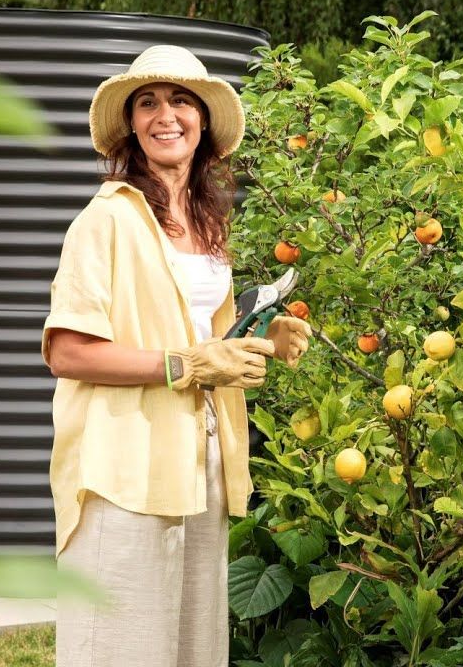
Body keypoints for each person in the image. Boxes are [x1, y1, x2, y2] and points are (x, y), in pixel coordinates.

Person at [40, 44, 312, 667]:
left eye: (182, 100)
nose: (167, 115)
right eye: (148, 102)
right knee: (120, 649)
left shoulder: (206, 224)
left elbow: (204, 335)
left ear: (204, 121)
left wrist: (264, 341)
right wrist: (184, 366)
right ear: (132, 125)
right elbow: (68, 352)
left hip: (199, 459)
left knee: (193, 649)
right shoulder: (104, 220)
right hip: (124, 466)